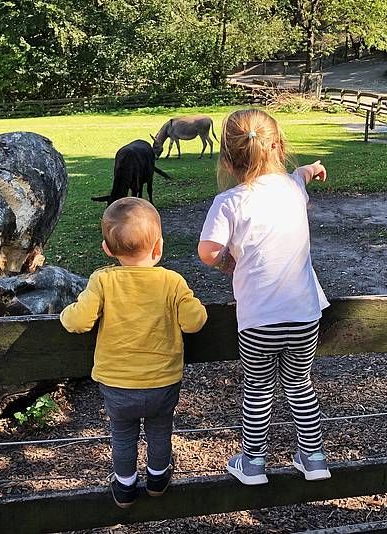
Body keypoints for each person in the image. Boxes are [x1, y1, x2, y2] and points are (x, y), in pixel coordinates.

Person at [197, 109, 331, 486]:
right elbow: (298, 175)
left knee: (258, 390)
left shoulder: (229, 202)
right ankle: (315, 457)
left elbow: (207, 251)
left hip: (259, 319)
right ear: (277, 146)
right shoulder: (292, 187)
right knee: (299, 384)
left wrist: (227, 262)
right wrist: (311, 169)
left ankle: (253, 464)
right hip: (304, 314)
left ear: (228, 156)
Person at [60, 197, 207, 508]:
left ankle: (125, 486)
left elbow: (79, 321)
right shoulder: (172, 282)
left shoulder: (102, 281)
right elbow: (194, 323)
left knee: (123, 434)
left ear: (108, 249)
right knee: (159, 429)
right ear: (159, 247)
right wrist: (192, 303)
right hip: (162, 382)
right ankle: (157, 478)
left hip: (117, 384)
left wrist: (65, 313)